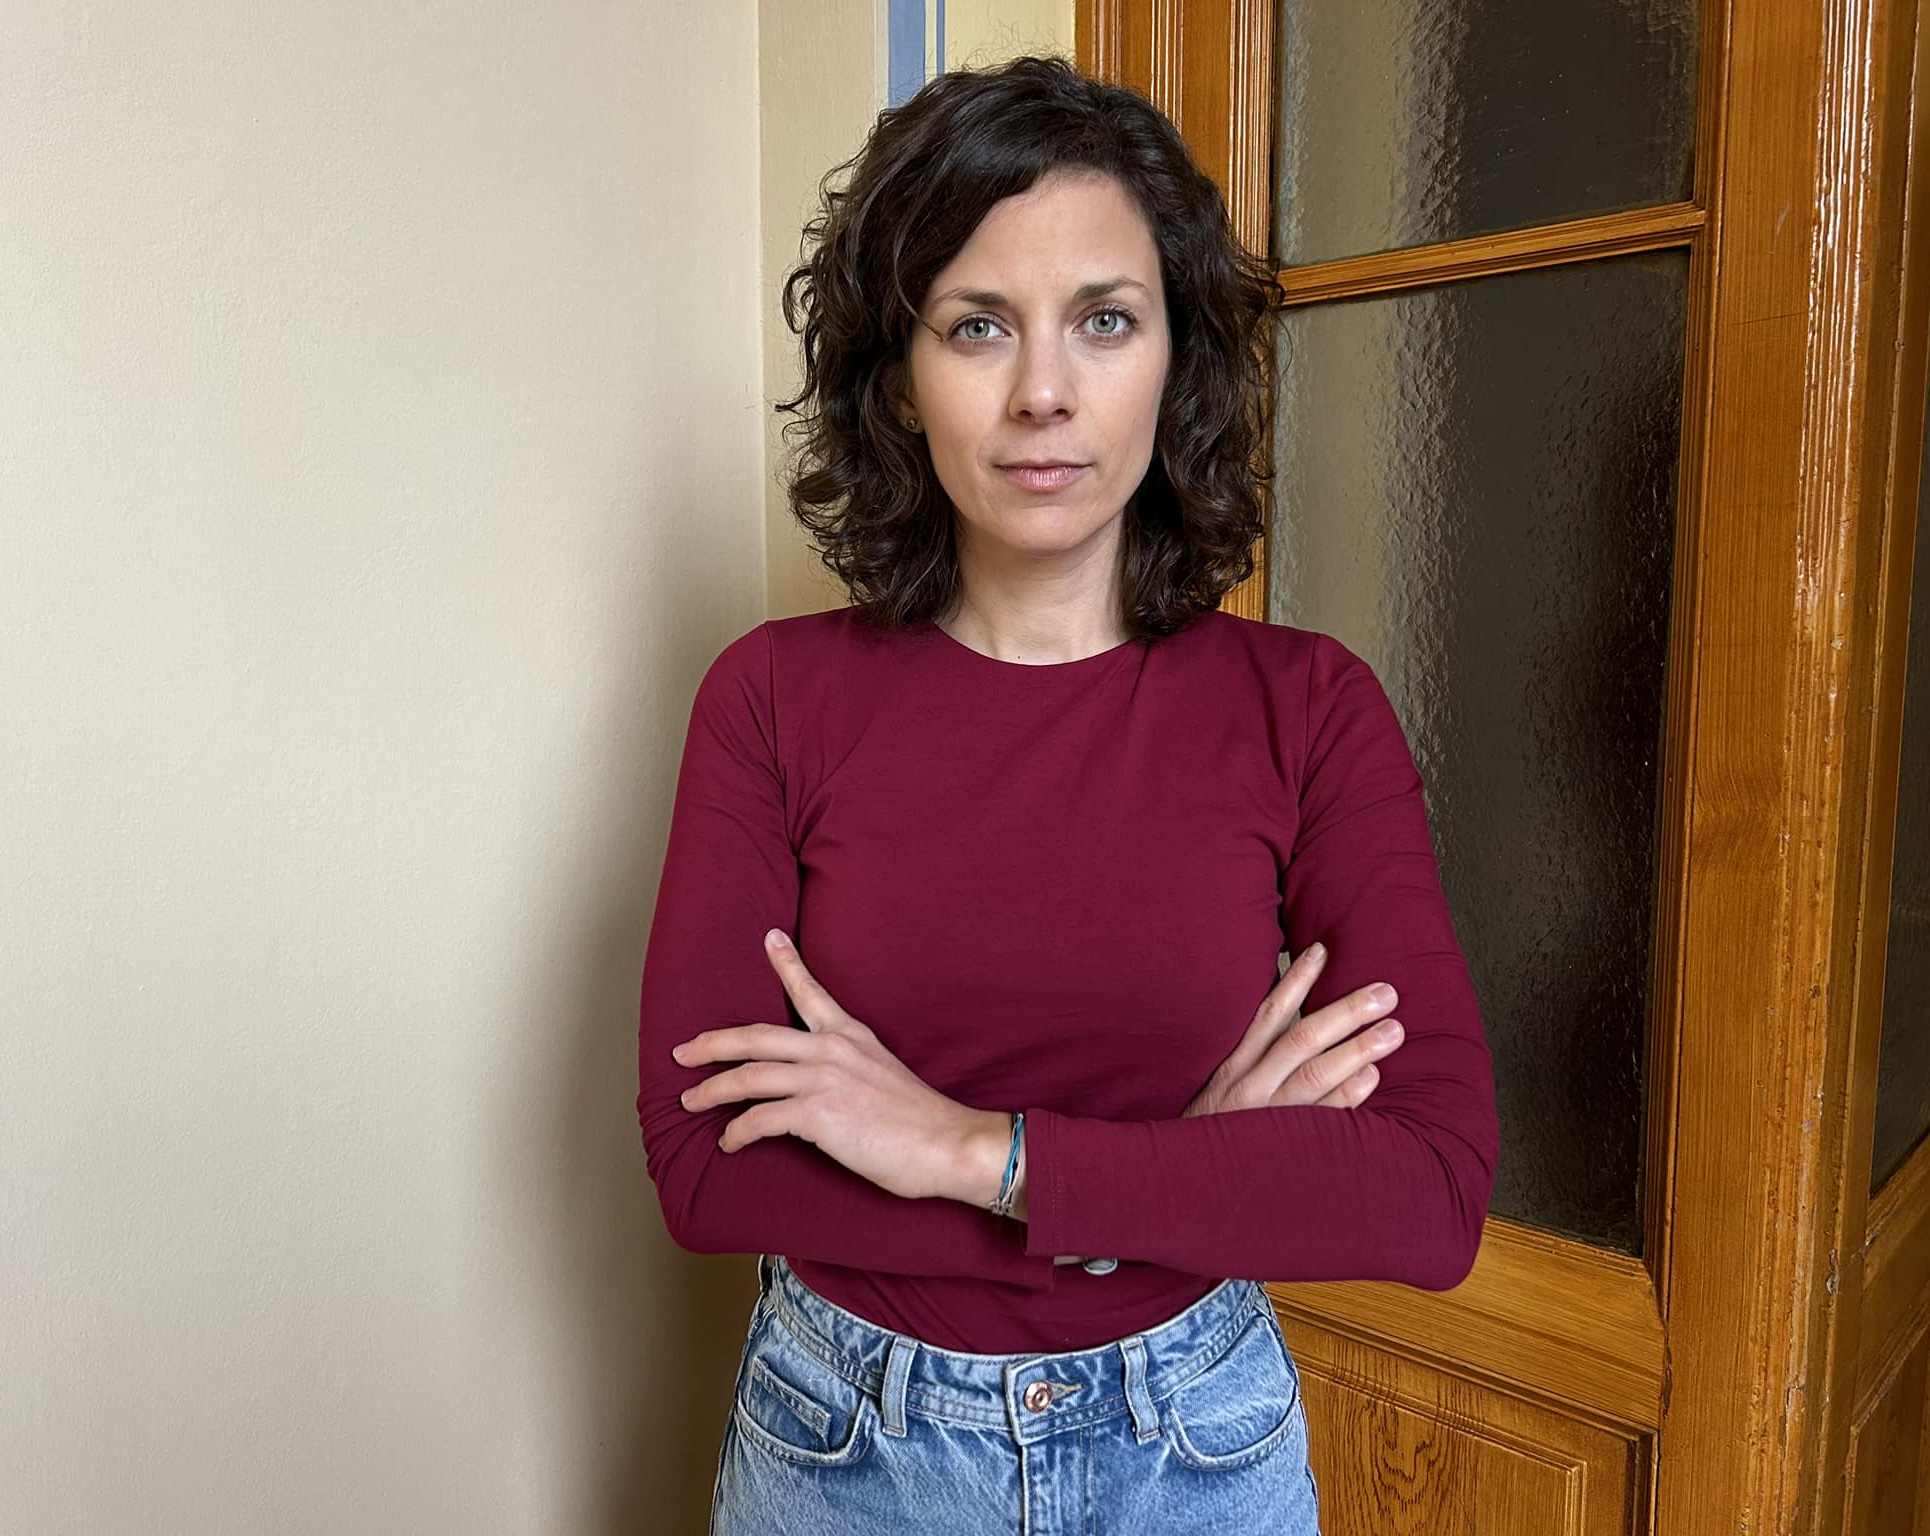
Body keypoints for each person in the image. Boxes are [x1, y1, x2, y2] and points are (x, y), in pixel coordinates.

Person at [636, 53, 1499, 1534]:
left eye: (1104, 320)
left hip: (1197, 1447)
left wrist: (972, 1152)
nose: (1043, 392)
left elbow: (1428, 1191)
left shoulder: (1308, 709)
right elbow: (705, 1173)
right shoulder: (772, 699)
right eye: (978, 326)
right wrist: (1179, 1178)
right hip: (848, 1448)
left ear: (1177, 361)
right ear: (898, 383)